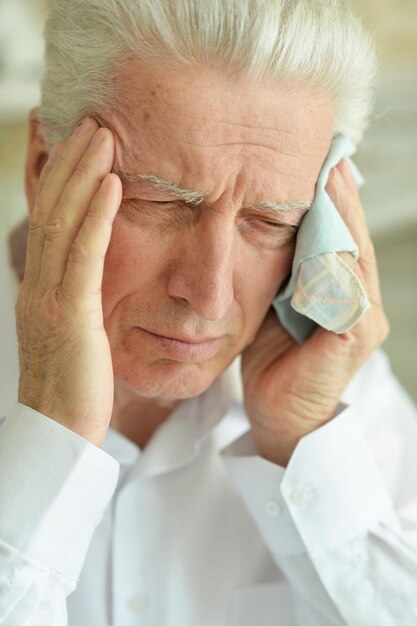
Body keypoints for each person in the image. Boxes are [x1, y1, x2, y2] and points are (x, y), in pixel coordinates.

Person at [1, 1, 417, 624]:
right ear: (43, 168)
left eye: (271, 221)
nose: (211, 294)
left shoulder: (340, 392)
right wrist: (49, 436)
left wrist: (302, 439)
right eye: (162, 202)